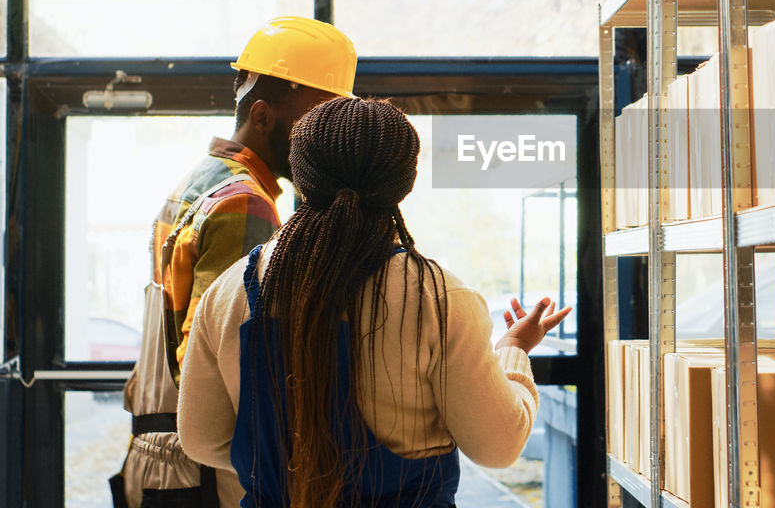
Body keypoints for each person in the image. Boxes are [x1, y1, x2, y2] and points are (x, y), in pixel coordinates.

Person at [177, 97, 571, 508]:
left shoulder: (226, 295)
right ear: (404, 180)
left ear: (302, 174)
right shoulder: (437, 298)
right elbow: (498, 446)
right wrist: (514, 351)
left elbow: (203, 441)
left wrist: (295, 464)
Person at [111, 17, 359, 508]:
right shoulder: (246, 203)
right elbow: (219, 359)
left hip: (162, 459)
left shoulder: (197, 185)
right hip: (203, 472)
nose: (321, 142)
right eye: (313, 124)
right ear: (263, 116)